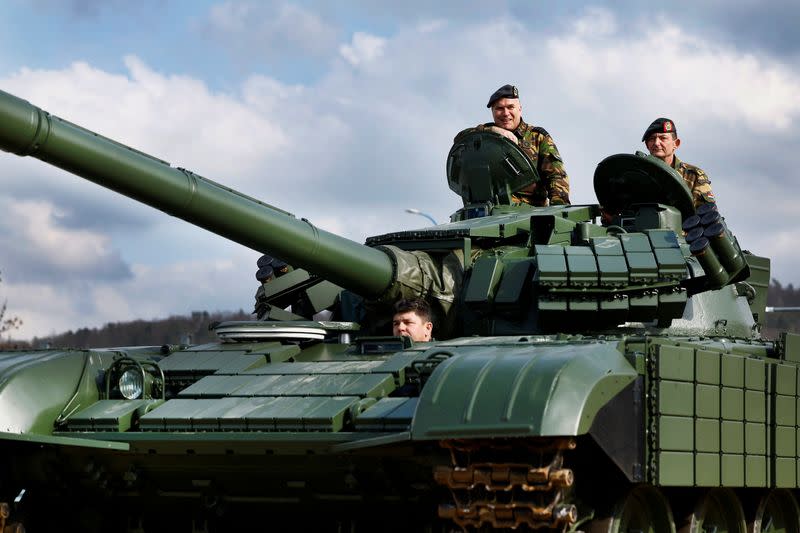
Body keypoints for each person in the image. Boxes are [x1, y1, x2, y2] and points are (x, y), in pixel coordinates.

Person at [455, 84, 570, 206]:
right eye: (499, 108)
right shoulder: (485, 136)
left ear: (519, 109)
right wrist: (493, 131)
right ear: (492, 112)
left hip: (528, 214)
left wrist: (558, 210)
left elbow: (557, 176)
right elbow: (460, 139)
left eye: (510, 107)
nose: (505, 113)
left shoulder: (537, 137)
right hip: (487, 213)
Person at [642, 117, 715, 208]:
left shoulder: (693, 176)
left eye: (663, 138)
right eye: (652, 139)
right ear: (647, 145)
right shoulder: (637, 172)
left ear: (676, 144)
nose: (656, 143)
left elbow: (708, 214)